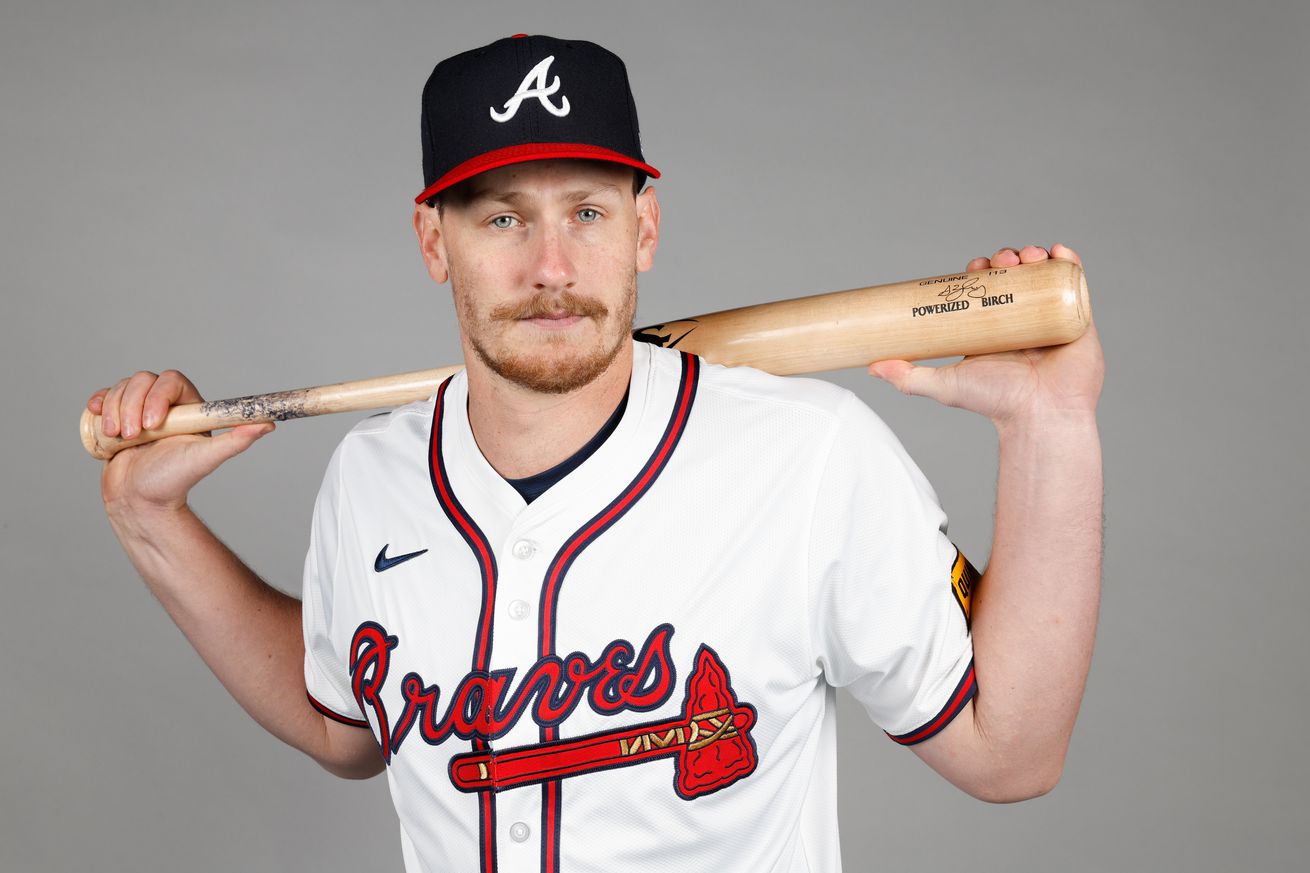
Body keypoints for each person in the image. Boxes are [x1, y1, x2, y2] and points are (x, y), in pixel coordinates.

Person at [88, 34, 1103, 873]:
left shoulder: (807, 457)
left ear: (643, 225)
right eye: (500, 217)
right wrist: (152, 524)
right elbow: (344, 730)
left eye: (586, 210)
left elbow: (1008, 755)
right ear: (432, 240)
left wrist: (1049, 427)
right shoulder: (373, 476)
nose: (552, 268)